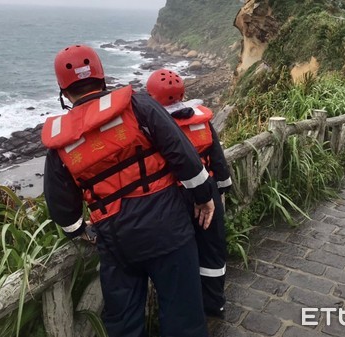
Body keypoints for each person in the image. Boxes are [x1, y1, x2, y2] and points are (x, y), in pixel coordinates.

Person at [41, 45, 216, 337]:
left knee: (124, 323)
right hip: (168, 226)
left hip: (116, 239)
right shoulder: (138, 105)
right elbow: (182, 155)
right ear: (102, 78)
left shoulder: (60, 142)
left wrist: (79, 231)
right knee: (183, 313)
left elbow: (60, 206)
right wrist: (203, 197)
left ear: (63, 92)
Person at [146, 68, 232, 319]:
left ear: (152, 98)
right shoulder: (201, 119)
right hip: (209, 192)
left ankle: (185, 309)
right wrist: (221, 189)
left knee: (182, 253)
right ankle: (215, 303)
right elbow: (218, 159)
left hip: (174, 197)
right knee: (212, 249)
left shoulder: (154, 128)